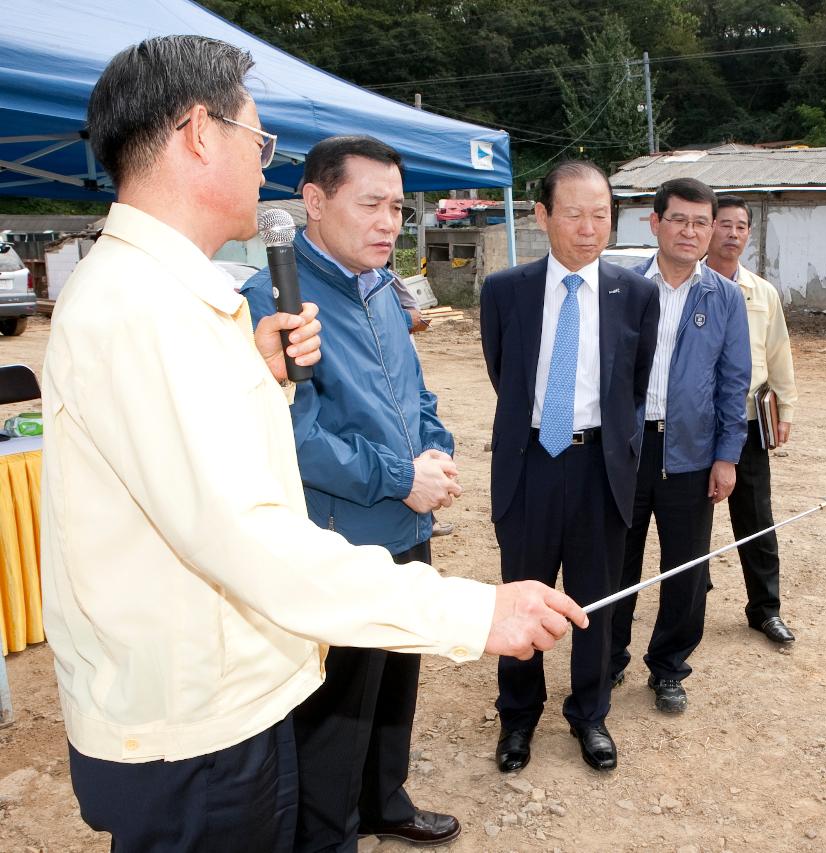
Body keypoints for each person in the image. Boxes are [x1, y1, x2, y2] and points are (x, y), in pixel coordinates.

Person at [41, 35, 584, 850]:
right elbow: (245, 535)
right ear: (197, 133)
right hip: (194, 729)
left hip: (216, 699)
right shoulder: (144, 310)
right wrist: (474, 609)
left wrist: (253, 372)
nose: (263, 166)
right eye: (256, 141)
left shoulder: (165, 298)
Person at [241, 136, 461, 850]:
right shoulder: (278, 296)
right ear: (314, 201)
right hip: (340, 540)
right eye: (371, 203)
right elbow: (296, 437)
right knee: (336, 712)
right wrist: (404, 478)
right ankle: (329, 834)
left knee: (394, 684)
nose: (389, 221)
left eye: (397, 206)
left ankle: (384, 799)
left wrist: (436, 451)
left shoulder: (383, 288)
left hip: (408, 527)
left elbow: (417, 396)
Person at [480, 161, 659, 772]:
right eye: (575, 214)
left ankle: (590, 714)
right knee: (522, 596)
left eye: (601, 215)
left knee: (596, 598)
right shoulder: (505, 290)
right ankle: (517, 719)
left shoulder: (637, 294)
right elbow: (503, 373)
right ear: (543, 216)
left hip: (599, 467)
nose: (589, 228)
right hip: (529, 463)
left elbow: (633, 387)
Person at [609, 177, 751, 713]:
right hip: (625, 451)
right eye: (679, 220)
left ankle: (669, 667)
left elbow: (734, 382)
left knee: (686, 569)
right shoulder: (620, 286)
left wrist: (727, 456)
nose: (690, 232)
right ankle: (608, 659)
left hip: (691, 454)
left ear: (711, 229)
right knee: (616, 564)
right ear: (655, 223)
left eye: (701, 222)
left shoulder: (725, 298)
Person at [704, 194, 800, 645]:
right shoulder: (690, 285)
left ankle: (765, 609)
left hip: (745, 421)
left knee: (756, 517)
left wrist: (786, 408)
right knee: (690, 517)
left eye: (741, 227)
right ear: (709, 229)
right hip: (693, 423)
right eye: (725, 225)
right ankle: (690, 594)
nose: (733, 234)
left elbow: (779, 353)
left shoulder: (762, 293)